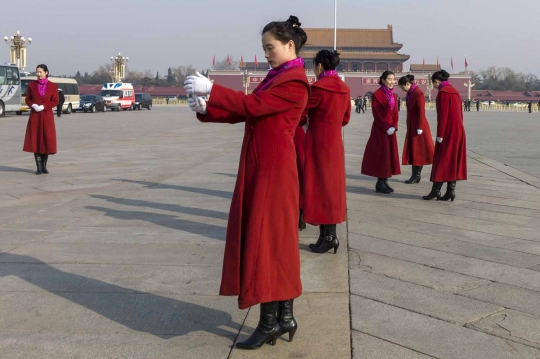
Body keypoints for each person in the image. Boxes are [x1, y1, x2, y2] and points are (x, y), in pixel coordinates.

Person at [184, 15, 309, 350]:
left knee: (266, 244)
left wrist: (213, 89)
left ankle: (270, 322)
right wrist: (206, 107)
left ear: (289, 46)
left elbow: (253, 105)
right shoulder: (278, 77)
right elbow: (249, 111)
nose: (266, 53)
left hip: (272, 172)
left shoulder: (294, 82)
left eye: (270, 47)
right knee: (275, 243)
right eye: (264, 47)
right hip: (264, 167)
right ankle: (284, 317)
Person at [299, 49, 350, 254]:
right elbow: (345, 119)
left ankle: (329, 237)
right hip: (335, 143)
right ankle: (326, 235)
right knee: (331, 188)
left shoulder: (318, 89)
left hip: (318, 143)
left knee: (319, 186)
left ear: (319, 66)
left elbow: (301, 114)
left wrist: (310, 122)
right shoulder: (344, 89)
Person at [423, 70, 467, 201]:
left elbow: (442, 117)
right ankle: (450, 191)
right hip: (458, 130)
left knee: (442, 159)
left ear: (436, 81)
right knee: (453, 160)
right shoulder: (455, 91)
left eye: (433, 83)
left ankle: (436, 190)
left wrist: (440, 135)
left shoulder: (443, 93)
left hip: (447, 131)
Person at [361, 70, 400, 193]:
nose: (392, 82)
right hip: (381, 130)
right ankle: (380, 182)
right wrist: (386, 127)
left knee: (389, 156)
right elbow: (376, 114)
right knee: (382, 156)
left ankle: (385, 181)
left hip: (391, 130)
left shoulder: (394, 95)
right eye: (389, 79)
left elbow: (395, 113)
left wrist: (394, 126)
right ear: (383, 80)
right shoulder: (377, 95)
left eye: (393, 79)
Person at [398, 74, 434, 184]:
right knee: (414, 150)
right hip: (413, 125)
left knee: (418, 151)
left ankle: (416, 175)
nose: (402, 89)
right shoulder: (411, 93)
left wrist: (420, 127)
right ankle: (416, 175)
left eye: (402, 87)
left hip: (419, 126)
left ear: (408, 84)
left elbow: (421, 112)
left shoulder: (418, 94)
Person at [23, 64, 59, 175]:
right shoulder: (32, 85)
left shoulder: (53, 86)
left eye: (40, 72)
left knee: (47, 139)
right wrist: (33, 105)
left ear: (46, 72)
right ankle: (38, 166)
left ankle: (44, 165)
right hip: (35, 117)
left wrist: (44, 106)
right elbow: (28, 99)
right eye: (37, 72)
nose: (38, 74)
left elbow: (55, 101)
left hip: (47, 116)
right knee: (36, 139)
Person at [294, 125, 307, 230]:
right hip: (299, 132)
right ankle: (302, 212)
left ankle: (298, 213)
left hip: (293, 132)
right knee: (301, 173)